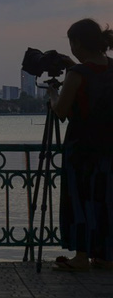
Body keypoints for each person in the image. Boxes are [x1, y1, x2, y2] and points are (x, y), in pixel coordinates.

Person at [48, 18, 113, 271]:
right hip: (109, 148)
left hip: (81, 150)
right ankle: (106, 255)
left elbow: (62, 111)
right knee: (105, 199)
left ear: (76, 43)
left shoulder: (76, 74)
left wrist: (53, 94)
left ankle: (80, 256)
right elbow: (95, 82)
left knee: (79, 198)